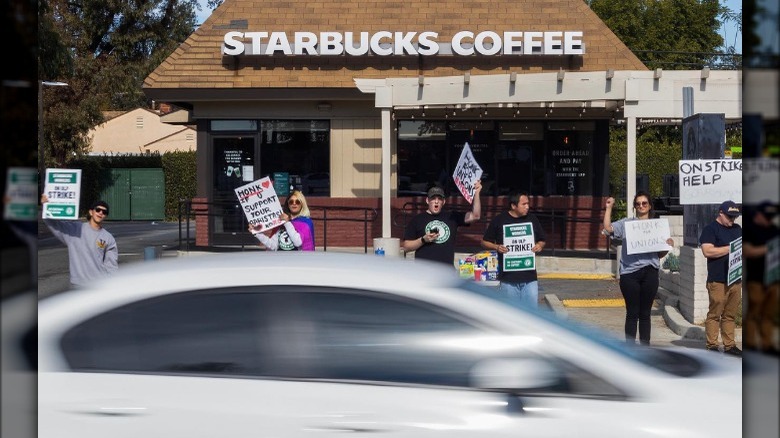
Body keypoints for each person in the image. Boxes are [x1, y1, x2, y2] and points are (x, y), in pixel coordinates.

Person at [602, 192, 674, 345]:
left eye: (644, 203)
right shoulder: (626, 224)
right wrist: (608, 208)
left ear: (650, 206)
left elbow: (659, 254)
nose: (641, 206)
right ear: (634, 207)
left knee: (645, 313)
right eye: (638, 204)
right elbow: (608, 228)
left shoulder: (656, 226)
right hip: (629, 273)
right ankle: (629, 349)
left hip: (650, 272)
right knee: (632, 313)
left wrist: (667, 246)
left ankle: (644, 348)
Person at [481, 191, 546, 308]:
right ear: (513, 206)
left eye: (528, 203)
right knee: (511, 314)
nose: (527, 207)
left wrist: (539, 245)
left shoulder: (532, 219)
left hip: (530, 278)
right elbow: (484, 242)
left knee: (531, 314)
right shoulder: (499, 220)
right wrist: (496, 247)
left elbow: (542, 240)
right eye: (524, 204)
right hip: (508, 279)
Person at [40, 196, 119, 287]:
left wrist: (111, 285)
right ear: (91, 212)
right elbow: (54, 224)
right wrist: (45, 206)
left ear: (105, 216)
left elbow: (111, 265)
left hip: (99, 286)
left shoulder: (108, 238)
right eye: (98, 210)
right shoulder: (75, 229)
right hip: (77, 286)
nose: (101, 213)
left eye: (104, 212)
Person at [699, 200, 743, 356]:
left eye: (735, 217)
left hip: (735, 278)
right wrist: (731, 249)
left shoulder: (737, 229)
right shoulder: (710, 229)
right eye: (730, 217)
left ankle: (729, 345)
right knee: (714, 314)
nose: (732, 220)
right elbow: (707, 251)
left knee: (730, 315)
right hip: (717, 280)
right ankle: (712, 345)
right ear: (721, 213)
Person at [402, 181, 482, 265]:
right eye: (433, 198)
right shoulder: (417, 219)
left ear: (443, 202)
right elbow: (406, 247)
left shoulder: (452, 216)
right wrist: (423, 240)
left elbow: (475, 216)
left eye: (439, 199)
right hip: (424, 270)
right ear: (427, 201)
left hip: (446, 270)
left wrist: (477, 192)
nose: (436, 201)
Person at [743, 201, 779, 355]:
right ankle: (750, 343)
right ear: (758, 215)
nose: (769, 220)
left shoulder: (775, 230)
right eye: (767, 216)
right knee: (754, 312)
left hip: (773, 279)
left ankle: (767, 344)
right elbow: (747, 251)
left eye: (771, 217)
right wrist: (769, 248)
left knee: (768, 314)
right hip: (756, 279)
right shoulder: (750, 230)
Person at [249, 190, 315, 251]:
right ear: (288, 204)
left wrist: (287, 223)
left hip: (298, 259)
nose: (294, 204)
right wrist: (257, 233)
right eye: (291, 202)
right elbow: (273, 246)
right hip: (281, 259)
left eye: (297, 202)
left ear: (302, 204)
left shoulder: (305, 222)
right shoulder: (281, 221)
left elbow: (298, 242)